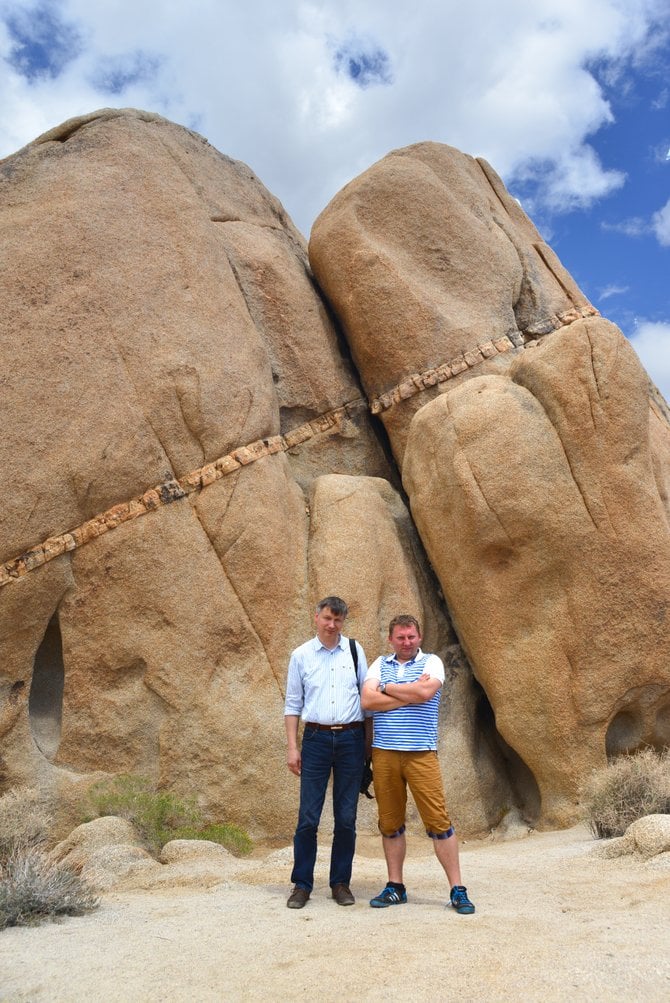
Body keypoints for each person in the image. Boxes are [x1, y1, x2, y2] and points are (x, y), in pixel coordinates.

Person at [361, 614, 475, 914]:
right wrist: (408, 694)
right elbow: (367, 702)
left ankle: (457, 889)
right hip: (384, 753)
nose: (407, 642)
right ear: (391, 639)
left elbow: (426, 693)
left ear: (419, 636)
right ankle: (395, 886)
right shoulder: (378, 664)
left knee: (438, 821)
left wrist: (386, 689)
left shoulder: (432, 663)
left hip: (421, 753)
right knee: (390, 824)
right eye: (400, 637)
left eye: (411, 636)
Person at [284, 596, 370, 909]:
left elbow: (367, 700)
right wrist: (293, 747)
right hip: (316, 740)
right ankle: (302, 884)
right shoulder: (301, 655)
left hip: (350, 740)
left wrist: (368, 747)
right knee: (308, 817)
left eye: (338, 620)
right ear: (316, 617)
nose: (332, 625)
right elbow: (293, 704)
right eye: (327, 619)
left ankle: (340, 883)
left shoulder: (354, 651)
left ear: (343, 622)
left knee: (346, 818)